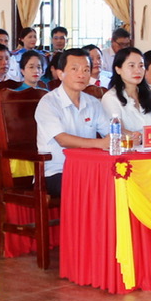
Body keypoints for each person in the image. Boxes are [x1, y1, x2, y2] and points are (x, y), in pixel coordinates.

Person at [34, 49, 112, 196]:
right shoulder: (48, 103)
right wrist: (100, 143)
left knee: (120, 181)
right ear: (60, 74)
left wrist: (128, 137)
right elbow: (63, 140)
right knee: (96, 186)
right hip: (57, 172)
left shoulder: (93, 103)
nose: (81, 75)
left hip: (89, 168)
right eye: (74, 69)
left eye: (86, 70)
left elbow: (110, 133)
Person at [100, 46, 151, 133]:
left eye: (141, 66)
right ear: (118, 69)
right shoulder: (110, 98)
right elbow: (118, 131)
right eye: (132, 66)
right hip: (127, 142)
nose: (138, 71)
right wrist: (138, 137)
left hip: (150, 141)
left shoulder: (148, 94)